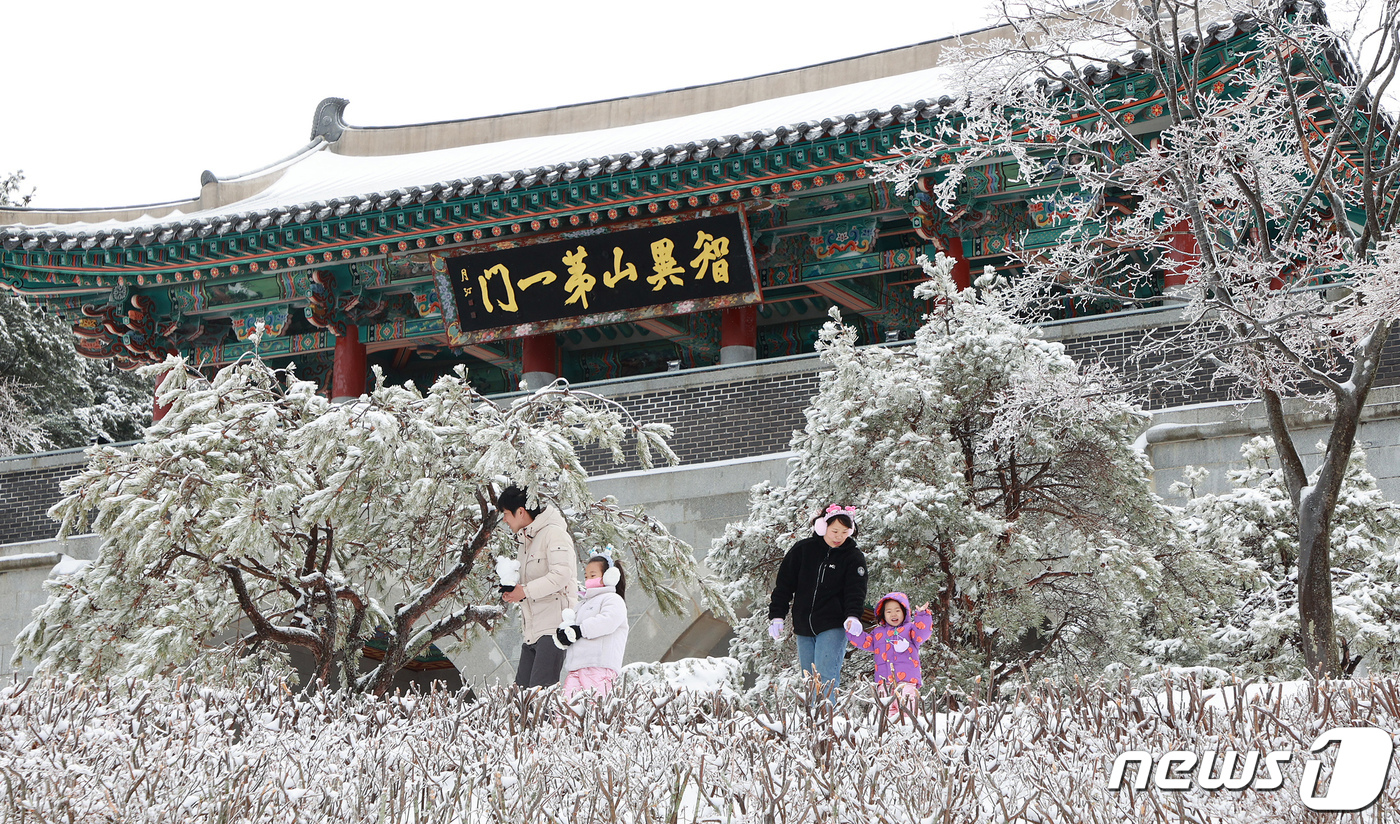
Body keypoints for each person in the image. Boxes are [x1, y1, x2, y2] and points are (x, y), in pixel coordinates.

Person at [767, 504, 868, 699]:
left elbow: (856, 590)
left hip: (833, 624)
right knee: (809, 679)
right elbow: (784, 585)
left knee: (825, 678)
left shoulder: (853, 557)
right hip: (803, 625)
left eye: (845, 532)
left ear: (851, 531)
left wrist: (853, 616)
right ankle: (812, 725)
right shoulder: (803, 550)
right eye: (835, 531)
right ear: (823, 527)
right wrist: (777, 616)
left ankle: (826, 724)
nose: (838, 536)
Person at [498, 484, 578, 688]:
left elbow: (561, 575)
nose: (504, 519)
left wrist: (524, 591)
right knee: (521, 698)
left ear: (521, 512)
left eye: (506, 513)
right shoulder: (526, 542)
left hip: (553, 629)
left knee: (539, 698)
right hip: (532, 631)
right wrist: (515, 592)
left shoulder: (554, 534)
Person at [552, 552, 629, 699]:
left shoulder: (613, 599)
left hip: (599, 667)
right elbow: (572, 627)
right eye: (586, 576)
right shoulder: (582, 604)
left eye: (593, 575)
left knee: (594, 711)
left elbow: (608, 621)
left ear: (608, 576)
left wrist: (580, 630)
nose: (587, 580)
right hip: (576, 668)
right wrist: (564, 635)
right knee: (566, 712)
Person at [846, 592, 933, 718]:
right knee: (885, 710)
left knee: (907, 707)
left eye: (897, 610)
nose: (893, 614)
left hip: (906, 680)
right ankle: (888, 733)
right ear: (883, 615)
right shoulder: (878, 633)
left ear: (904, 612)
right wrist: (853, 630)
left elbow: (923, 633)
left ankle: (911, 731)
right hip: (884, 681)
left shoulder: (910, 630)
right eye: (889, 611)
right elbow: (865, 642)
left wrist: (923, 615)